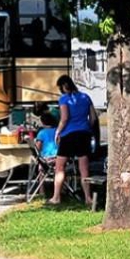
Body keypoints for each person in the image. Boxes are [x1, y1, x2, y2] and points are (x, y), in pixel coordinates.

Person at [47, 74, 97, 205]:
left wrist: (58, 132)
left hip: (68, 135)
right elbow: (93, 118)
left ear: (63, 86)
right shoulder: (86, 97)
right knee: (84, 168)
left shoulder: (64, 99)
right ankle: (88, 198)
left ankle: (56, 197)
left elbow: (64, 118)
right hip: (83, 134)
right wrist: (87, 129)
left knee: (60, 166)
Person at [34, 112, 58, 195]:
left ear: (43, 122)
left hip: (46, 159)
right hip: (58, 158)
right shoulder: (57, 131)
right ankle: (60, 190)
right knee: (59, 171)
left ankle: (42, 191)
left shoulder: (42, 133)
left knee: (41, 170)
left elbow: (38, 147)